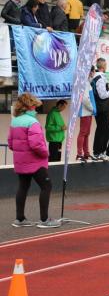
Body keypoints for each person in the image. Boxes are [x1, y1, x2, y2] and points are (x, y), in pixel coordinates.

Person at [8, 93, 60, 228]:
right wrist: (46, 153)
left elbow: (11, 144)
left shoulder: (15, 121)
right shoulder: (33, 122)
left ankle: (19, 219)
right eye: (35, 107)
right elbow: (36, 144)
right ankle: (44, 220)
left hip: (21, 162)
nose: (36, 110)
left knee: (23, 187)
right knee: (46, 186)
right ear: (30, 107)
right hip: (35, 162)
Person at [76, 67, 96, 162]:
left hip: (88, 112)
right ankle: (80, 154)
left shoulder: (87, 82)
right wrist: (92, 108)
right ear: (89, 72)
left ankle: (86, 153)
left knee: (87, 133)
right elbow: (84, 99)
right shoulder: (84, 82)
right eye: (93, 71)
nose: (94, 73)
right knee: (83, 132)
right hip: (85, 111)